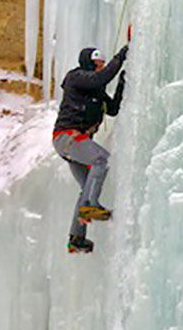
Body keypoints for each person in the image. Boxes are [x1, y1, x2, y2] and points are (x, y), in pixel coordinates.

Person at [52, 45, 129, 254]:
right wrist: (121, 56)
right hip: (68, 138)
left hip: (72, 143)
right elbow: (99, 79)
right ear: (89, 63)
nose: (101, 67)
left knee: (86, 185)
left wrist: (123, 83)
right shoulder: (76, 78)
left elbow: (112, 109)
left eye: (103, 64)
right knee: (102, 160)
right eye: (99, 64)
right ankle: (91, 204)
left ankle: (77, 238)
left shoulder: (96, 90)